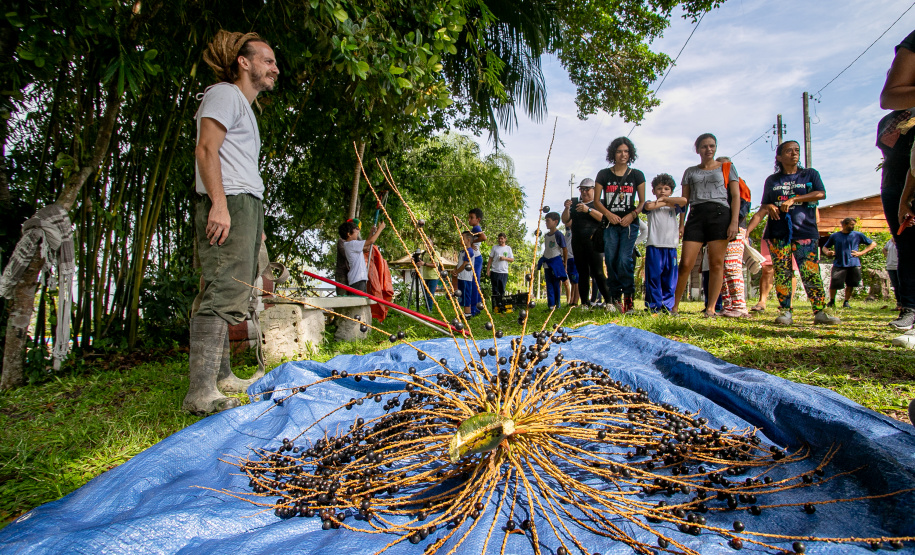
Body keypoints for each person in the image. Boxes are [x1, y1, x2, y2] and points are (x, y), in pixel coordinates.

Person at [185, 30, 279, 416]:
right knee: (222, 288)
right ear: (244, 62)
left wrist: (254, 224)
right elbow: (206, 148)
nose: (275, 67)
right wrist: (220, 205)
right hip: (229, 201)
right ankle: (200, 392)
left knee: (235, 289)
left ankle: (221, 376)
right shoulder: (223, 94)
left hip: (246, 204)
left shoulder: (245, 107)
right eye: (268, 60)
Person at [760, 140, 838, 325]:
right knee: (782, 272)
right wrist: (770, 205)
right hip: (778, 232)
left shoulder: (809, 174)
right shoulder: (772, 180)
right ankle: (785, 311)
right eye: (788, 151)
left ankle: (820, 312)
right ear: (779, 157)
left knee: (810, 271)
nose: (794, 154)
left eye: (796, 150)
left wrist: (796, 199)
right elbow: (765, 202)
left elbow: (820, 193)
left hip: (805, 230)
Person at [671, 133, 740, 318]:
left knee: (716, 263)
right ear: (697, 149)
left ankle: (710, 309)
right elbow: (685, 200)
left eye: (712, 146)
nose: (708, 149)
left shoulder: (727, 167)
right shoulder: (690, 171)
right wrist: (681, 224)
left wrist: (734, 222)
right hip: (696, 215)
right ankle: (674, 307)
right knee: (686, 263)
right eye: (704, 146)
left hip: (720, 214)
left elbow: (735, 196)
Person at [594, 137, 646, 314]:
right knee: (611, 260)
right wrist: (609, 215)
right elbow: (596, 201)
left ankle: (628, 299)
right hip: (610, 224)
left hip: (629, 224)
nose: (623, 155)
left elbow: (642, 202)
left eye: (626, 151)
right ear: (613, 153)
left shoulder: (636, 175)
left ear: (630, 153)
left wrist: (633, 215)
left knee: (625, 260)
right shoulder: (603, 174)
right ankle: (615, 298)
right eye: (619, 151)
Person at [562, 178, 613, 309]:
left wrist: (588, 210)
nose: (584, 192)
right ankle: (584, 303)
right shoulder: (574, 203)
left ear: (594, 190)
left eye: (587, 189)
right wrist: (567, 208)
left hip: (594, 243)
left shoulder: (599, 203)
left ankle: (609, 302)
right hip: (577, 242)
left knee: (598, 272)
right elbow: (565, 220)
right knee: (582, 273)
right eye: (582, 189)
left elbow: (604, 218)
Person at [642, 173, 686, 312]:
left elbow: (684, 200)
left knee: (670, 279)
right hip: (654, 245)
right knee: (654, 278)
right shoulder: (650, 203)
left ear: (671, 191)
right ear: (653, 190)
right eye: (659, 188)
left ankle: (667, 306)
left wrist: (666, 201)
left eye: (666, 188)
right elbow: (648, 206)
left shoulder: (675, 206)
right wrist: (664, 201)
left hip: (671, 247)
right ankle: (653, 306)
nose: (662, 191)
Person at [715, 156, 751, 317]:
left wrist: (734, 224)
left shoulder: (738, 184)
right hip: (718, 231)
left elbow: (743, 206)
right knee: (721, 269)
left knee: (731, 266)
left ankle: (739, 305)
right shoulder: (717, 185)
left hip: (735, 229)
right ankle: (728, 305)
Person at [745, 209, 797, 312]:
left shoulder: (798, 194)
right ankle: (762, 302)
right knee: (767, 268)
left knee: (789, 269)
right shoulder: (772, 193)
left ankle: (788, 303)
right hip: (771, 233)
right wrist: (746, 233)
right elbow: (760, 213)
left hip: (792, 234)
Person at [822, 218, 876, 308]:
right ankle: (831, 301)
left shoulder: (857, 235)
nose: (853, 226)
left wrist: (861, 252)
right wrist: (828, 252)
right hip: (839, 263)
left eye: (854, 224)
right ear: (844, 225)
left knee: (851, 284)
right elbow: (825, 247)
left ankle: (846, 302)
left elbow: (873, 244)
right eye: (851, 224)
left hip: (853, 263)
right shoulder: (835, 236)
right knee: (834, 283)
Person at [339, 220, 386, 293]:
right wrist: (381, 228)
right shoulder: (352, 244)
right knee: (359, 301)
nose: (357, 232)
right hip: (357, 279)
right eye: (355, 231)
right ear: (349, 234)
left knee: (360, 301)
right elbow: (371, 241)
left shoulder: (350, 245)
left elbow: (367, 246)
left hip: (357, 279)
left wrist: (371, 233)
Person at [537, 212, 569, 310]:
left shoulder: (559, 235)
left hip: (555, 262)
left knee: (556, 284)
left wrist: (565, 263)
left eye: (548, 221)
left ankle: (557, 304)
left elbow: (564, 249)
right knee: (549, 284)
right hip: (547, 262)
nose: (546, 223)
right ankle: (550, 305)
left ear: (555, 222)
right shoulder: (546, 236)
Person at [453, 231, 479, 317]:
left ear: (468, 240)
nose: (460, 239)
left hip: (466, 278)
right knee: (462, 295)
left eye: (462, 238)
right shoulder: (463, 251)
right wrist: (455, 269)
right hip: (461, 276)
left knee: (466, 295)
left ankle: (467, 314)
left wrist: (457, 272)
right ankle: (464, 313)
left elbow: (464, 264)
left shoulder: (469, 251)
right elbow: (460, 263)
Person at [467, 208, 486, 315]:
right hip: (475, 258)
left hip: (476, 258)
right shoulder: (474, 228)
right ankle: (478, 307)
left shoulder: (476, 228)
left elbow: (483, 237)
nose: (469, 220)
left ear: (478, 219)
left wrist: (473, 241)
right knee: (475, 282)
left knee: (474, 283)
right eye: (469, 217)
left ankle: (474, 309)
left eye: (471, 218)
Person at [487, 232, 514, 301]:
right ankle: (495, 306)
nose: (500, 240)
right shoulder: (494, 248)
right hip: (494, 271)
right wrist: (488, 270)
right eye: (499, 239)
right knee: (495, 290)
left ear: (505, 239)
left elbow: (512, 259)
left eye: (501, 239)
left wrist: (505, 258)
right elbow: (490, 259)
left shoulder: (508, 248)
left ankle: (501, 305)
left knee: (502, 290)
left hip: (504, 272)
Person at [564, 225, 580, 306]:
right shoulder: (567, 232)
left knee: (576, 280)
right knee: (572, 281)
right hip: (568, 258)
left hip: (574, 257)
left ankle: (575, 301)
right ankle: (571, 300)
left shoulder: (576, 231)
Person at [884, 238, 901, 311]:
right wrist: (888, 257)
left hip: (899, 266)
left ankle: (906, 305)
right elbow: (884, 249)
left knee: (902, 286)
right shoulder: (890, 241)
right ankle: (899, 304)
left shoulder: (901, 240)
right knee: (896, 286)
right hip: (891, 266)